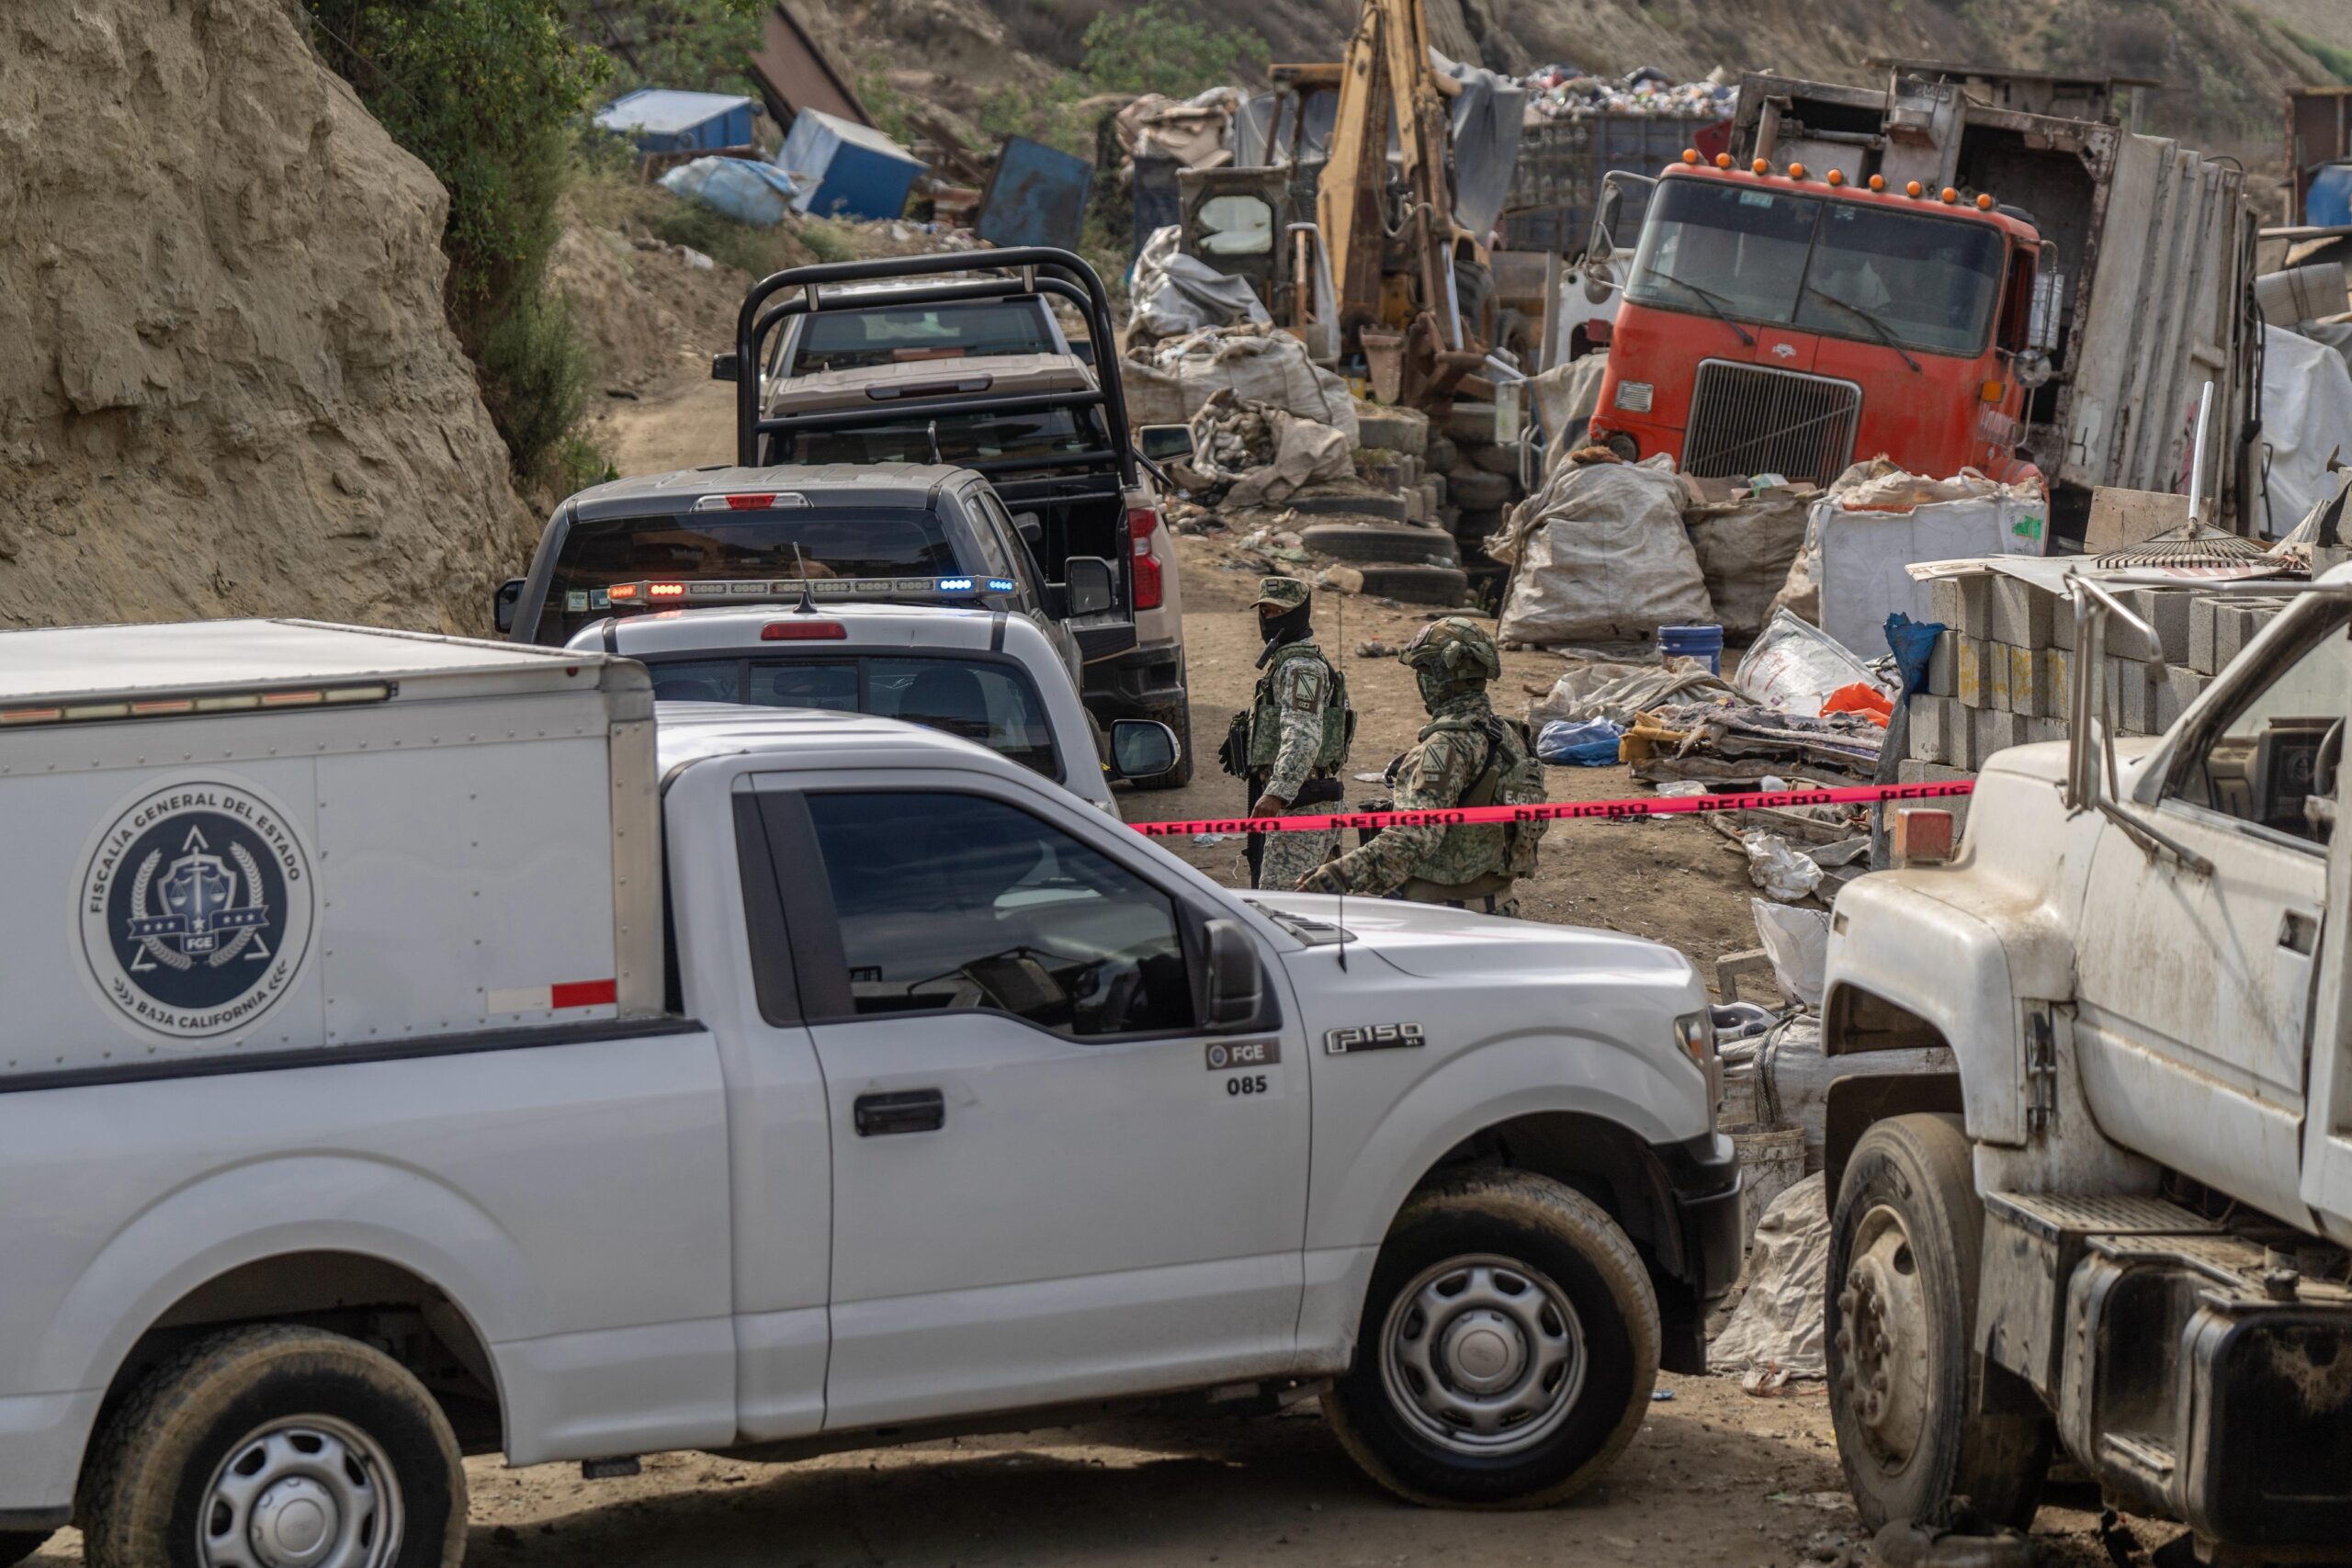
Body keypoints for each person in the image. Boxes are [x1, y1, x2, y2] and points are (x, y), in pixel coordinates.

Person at [1299, 616, 1545, 913]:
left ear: (1437, 678)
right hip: (1501, 908)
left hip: (1446, 919)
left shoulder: (1446, 747)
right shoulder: (1510, 736)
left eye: (1423, 672)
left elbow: (1413, 837)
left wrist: (1339, 875)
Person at [1219, 577, 1351, 890]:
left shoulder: (1301, 667)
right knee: (1313, 904)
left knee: (1283, 907)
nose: (1269, 619)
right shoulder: (1287, 663)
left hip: (1302, 806)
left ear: (1299, 615)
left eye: (1279, 611)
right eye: (1264, 611)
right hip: (1305, 801)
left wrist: (1276, 792)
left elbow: (1304, 735)